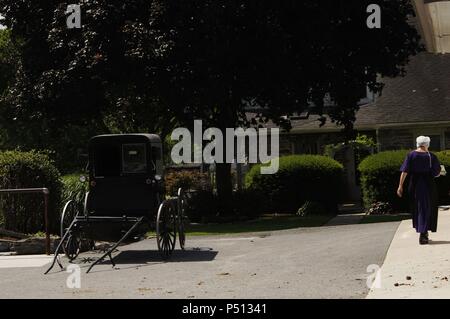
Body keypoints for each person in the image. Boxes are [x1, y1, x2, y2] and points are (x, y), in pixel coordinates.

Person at [397, 136, 441, 245]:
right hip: (428, 185)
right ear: (427, 144)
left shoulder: (411, 155)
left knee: (419, 208)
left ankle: (422, 231)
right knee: (427, 207)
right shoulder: (431, 156)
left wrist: (400, 186)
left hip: (415, 185)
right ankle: (423, 234)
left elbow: (404, 171)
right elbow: (436, 173)